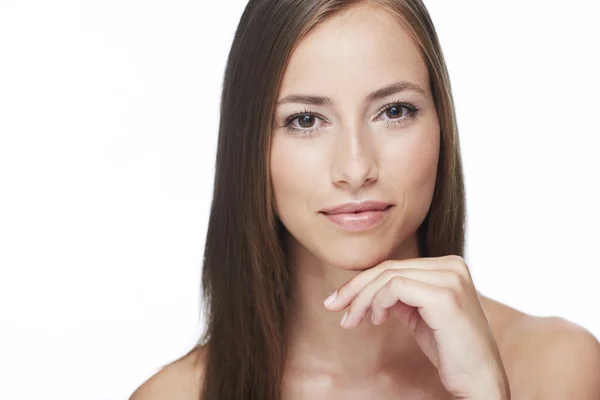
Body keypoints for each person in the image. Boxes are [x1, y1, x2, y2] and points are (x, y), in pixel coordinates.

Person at [130, 0, 600, 398]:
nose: (355, 169)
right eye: (306, 120)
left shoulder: (557, 370)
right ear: (249, 144)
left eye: (394, 111)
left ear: (441, 126)